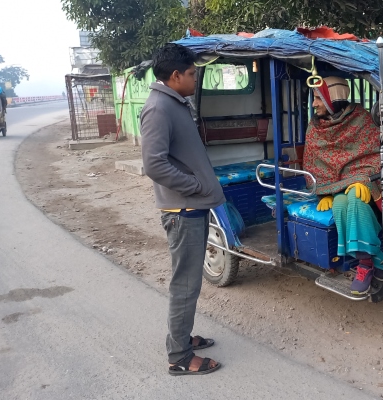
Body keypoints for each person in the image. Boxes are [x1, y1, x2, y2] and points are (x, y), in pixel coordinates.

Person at [140, 43, 225, 376]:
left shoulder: (174, 103)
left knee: (188, 282)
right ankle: (179, 356)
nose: (195, 79)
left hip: (191, 206)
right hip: (183, 209)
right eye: (191, 74)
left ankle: (182, 338)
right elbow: (154, 164)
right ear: (175, 76)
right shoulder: (159, 108)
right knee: (186, 284)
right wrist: (196, 186)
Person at [303, 77, 383, 295]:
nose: (314, 104)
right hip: (337, 188)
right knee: (340, 203)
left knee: (356, 201)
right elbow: (315, 165)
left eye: (317, 98)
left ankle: (368, 262)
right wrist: (326, 192)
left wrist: (366, 179)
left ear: (332, 98)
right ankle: (372, 260)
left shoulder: (361, 119)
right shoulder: (315, 129)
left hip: (369, 188)